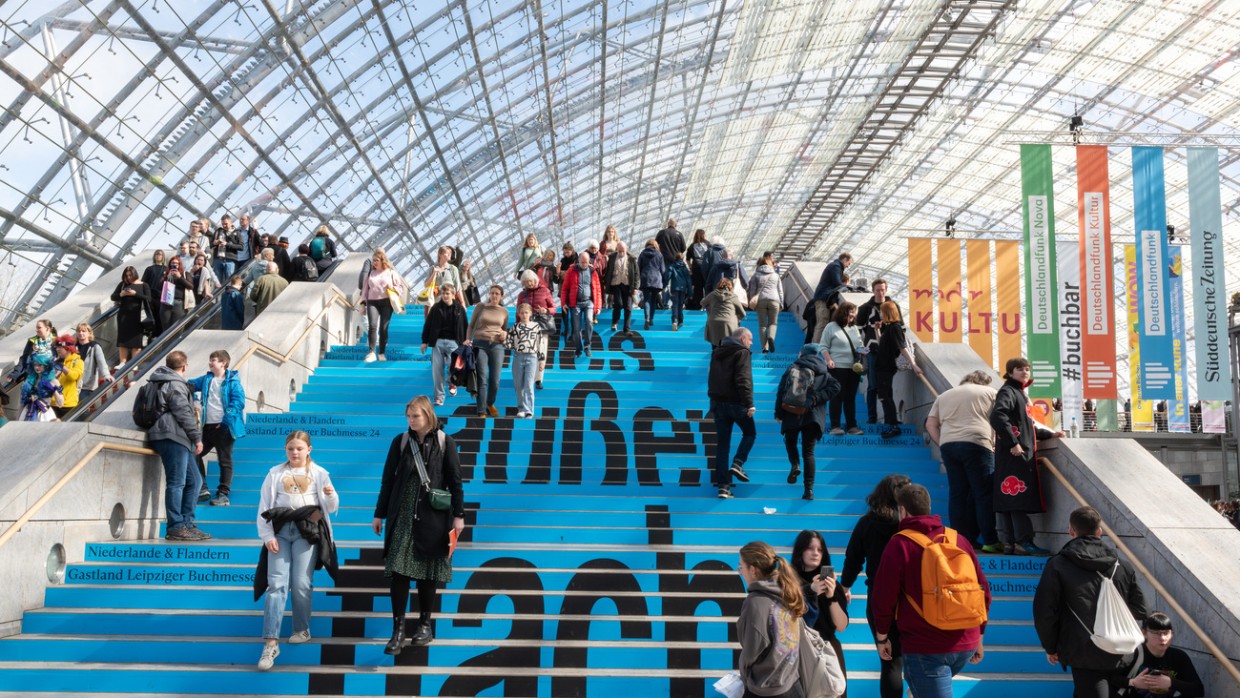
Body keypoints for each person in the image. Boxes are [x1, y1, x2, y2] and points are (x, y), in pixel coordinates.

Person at [870, 483, 990, 698]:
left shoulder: (900, 544)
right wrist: (979, 634)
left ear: (903, 510)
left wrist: (882, 636)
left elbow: (883, 596)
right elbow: (983, 591)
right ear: (929, 507)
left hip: (926, 647)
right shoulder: (958, 540)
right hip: (966, 643)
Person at [374, 396, 466, 654]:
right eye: (408, 416)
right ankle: (398, 630)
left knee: (428, 571)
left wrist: (459, 515)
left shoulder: (445, 442)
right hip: (402, 513)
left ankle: (425, 625)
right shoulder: (400, 442)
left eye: (416, 416)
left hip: (434, 516)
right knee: (399, 571)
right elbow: (387, 481)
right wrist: (379, 514)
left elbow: (455, 482)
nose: (411, 421)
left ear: (428, 415)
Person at [1033, 506, 1148, 697]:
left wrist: (1051, 646)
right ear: (1100, 532)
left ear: (1071, 531)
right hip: (1123, 649)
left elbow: (1044, 611)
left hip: (1083, 650)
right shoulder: (1122, 566)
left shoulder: (1058, 565)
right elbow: (1142, 609)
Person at [255, 430, 339, 671]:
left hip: (307, 531)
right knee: (277, 583)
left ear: (309, 450)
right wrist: (267, 535)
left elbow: (330, 508)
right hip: (280, 530)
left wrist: (331, 495)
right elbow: (265, 505)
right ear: (286, 449)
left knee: (302, 582)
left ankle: (301, 629)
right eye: (291, 448)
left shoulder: (320, 473)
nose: (294, 452)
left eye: (300, 448)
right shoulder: (275, 473)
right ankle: (271, 642)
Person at [841, 473, 912, 698]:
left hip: (879, 598)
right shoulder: (909, 525)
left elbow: (853, 557)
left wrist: (845, 586)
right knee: (919, 660)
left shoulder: (868, 522)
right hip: (911, 598)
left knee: (890, 663)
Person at [990, 357, 1063, 556]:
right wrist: (1013, 442)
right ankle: (1023, 541)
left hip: (1013, 452)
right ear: (1010, 372)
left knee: (1009, 498)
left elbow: (1026, 426)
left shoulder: (1017, 392)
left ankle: (1010, 543)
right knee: (1017, 498)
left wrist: (1050, 434)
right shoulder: (1009, 391)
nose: (1025, 372)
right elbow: (997, 416)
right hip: (1015, 453)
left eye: (1027, 369)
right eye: (1020, 369)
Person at [925, 370, 1003, 554]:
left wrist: (941, 442)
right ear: (985, 381)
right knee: (983, 493)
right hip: (977, 443)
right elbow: (1000, 419)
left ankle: (960, 539)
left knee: (958, 494)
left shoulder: (944, 395)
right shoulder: (990, 392)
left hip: (949, 446)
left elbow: (930, 424)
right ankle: (990, 540)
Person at [145, 351, 207, 541]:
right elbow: (183, 413)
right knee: (177, 482)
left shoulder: (159, 380)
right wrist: (197, 438)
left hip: (174, 437)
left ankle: (187, 522)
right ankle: (175, 526)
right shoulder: (175, 384)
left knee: (195, 481)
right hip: (172, 435)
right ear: (184, 366)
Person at [736, 540, 805, 698]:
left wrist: (744, 674)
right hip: (793, 684)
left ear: (753, 570)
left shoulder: (755, 602)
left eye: (741, 567)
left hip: (767, 689)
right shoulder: (787, 591)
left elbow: (752, 649)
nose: (740, 572)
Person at [775, 344, 840, 500]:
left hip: (791, 411)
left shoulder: (792, 367)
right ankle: (809, 490)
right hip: (813, 415)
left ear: (801, 353)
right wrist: (817, 398)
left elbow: (781, 390)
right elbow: (836, 386)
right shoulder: (823, 370)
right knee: (809, 453)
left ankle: (795, 464)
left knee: (790, 441)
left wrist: (778, 413)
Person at [791, 530, 850, 694]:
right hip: (798, 650)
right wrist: (810, 591)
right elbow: (785, 616)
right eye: (810, 548)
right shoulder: (789, 581)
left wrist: (831, 597)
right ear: (800, 551)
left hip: (827, 648)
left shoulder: (832, 584)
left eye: (820, 549)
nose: (816, 553)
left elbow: (841, 626)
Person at [188, 350, 247, 507]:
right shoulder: (207, 379)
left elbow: (238, 402)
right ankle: (202, 488)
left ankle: (223, 494)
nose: (210, 363)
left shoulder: (233, 382)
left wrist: (226, 420)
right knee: (195, 453)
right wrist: (194, 399)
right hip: (207, 427)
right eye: (210, 359)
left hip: (224, 428)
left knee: (224, 460)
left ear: (223, 363)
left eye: (213, 360)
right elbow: (188, 386)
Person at [709, 327, 755, 499]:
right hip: (736, 403)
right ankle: (738, 463)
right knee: (750, 433)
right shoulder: (742, 352)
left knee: (722, 445)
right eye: (750, 340)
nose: (751, 343)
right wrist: (749, 403)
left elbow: (712, 378)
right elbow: (743, 379)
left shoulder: (717, 352)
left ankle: (723, 487)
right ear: (743, 338)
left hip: (718, 404)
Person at [1112, 613, 1204, 697]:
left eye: (1166, 633)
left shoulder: (1179, 656)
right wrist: (1133, 682)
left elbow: (1199, 690)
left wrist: (1171, 683)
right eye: (1156, 633)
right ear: (1144, 633)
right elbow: (1110, 678)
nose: (1162, 638)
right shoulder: (1132, 653)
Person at [875, 300, 921, 438]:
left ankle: (893, 425)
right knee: (885, 395)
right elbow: (881, 345)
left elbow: (902, 347)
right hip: (882, 366)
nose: (880, 314)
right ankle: (891, 422)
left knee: (884, 396)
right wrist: (876, 329)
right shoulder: (888, 328)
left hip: (885, 367)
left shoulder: (895, 328)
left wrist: (913, 364)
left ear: (887, 312)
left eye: (882, 311)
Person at [819, 302, 865, 435]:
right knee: (837, 396)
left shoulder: (854, 328)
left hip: (853, 368)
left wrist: (864, 350)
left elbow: (859, 345)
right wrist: (829, 360)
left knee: (850, 398)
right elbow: (823, 346)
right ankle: (835, 426)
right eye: (851, 312)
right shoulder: (831, 327)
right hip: (837, 367)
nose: (853, 315)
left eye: (854, 312)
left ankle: (852, 426)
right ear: (843, 312)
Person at [858, 279, 899, 423]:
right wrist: (867, 342)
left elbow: (900, 327)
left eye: (883, 290)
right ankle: (872, 417)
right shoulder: (865, 308)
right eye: (877, 290)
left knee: (887, 386)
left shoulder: (893, 306)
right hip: (873, 351)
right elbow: (858, 328)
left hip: (888, 354)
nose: (880, 293)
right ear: (873, 290)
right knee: (873, 385)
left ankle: (890, 418)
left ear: (886, 290)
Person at [465, 285, 509, 418]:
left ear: (501, 296)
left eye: (497, 294)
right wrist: (468, 339)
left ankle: (490, 403)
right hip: (480, 344)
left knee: (495, 380)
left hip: (497, 346)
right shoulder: (480, 307)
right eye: (492, 293)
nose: (494, 296)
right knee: (482, 377)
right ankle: (481, 410)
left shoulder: (504, 312)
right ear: (489, 294)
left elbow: (504, 329)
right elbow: (471, 325)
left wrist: (504, 334)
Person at [421, 284, 468, 406]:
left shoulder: (459, 309)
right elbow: (428, 325)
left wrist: (466, 340)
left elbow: (465, 325)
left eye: (448, 293)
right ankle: (439, 397)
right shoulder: (436, 308)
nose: (445, 296)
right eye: (443, 293)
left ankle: (452, 382)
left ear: (453, 295)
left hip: (454, 342)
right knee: (437, 370)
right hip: (437, 342)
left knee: (453, 366)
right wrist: (424, 342)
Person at [516, 270, 556, 390]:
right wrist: (518, 327)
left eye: (531, 281)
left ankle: (538, 379)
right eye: (526, 282)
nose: (529, 283)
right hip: (526, 327)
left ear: (535, 279)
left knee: (541, 352)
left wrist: (546, 310)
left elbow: (553, 308)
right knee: (528, 353)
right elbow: (518, 312)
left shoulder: (545, 291)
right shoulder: (522, 295)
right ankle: (528, 377)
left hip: (541, 327)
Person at [360, 249, 401, 363]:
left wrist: (392, 288)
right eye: (373, 260)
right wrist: (363, 305)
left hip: (387, 303)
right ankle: (371, 352)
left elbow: (400, 288)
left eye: (376, 260)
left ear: (383, 261)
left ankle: (381, 352)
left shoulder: (391, 272)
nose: (374, 262)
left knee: (383, 328)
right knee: (372, 326)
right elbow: (364, 290)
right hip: (372, 302)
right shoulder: (370, 274)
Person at [560, 251, 601, 358]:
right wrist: (564, 303)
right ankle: (578, 349)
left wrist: (598, 306)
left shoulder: (593, 271)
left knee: (589, 320)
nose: (584, 264)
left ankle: (587, 345)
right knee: (576, 328)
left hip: (588, 302)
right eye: (582, 262)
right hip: (575, 303)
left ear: (589, 262)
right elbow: (564, 288)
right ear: (578, 261)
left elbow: (597, 290)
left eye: (586, 262)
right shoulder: (571, 271)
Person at [505, 303, 542, 419]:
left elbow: (540, 344)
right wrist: (503, 338)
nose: (524, 315)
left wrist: (541, 361)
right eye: (522, 313)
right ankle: (521, 408)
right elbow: (509, 343)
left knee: (529, 384)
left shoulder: (536, 327)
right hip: (518, 356)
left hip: (532, 357)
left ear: (530, 313)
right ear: (518, 314)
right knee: (518, 384)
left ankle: (529, 410)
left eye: (526, 312)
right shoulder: (515, 327)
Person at [110, 267, 151, 368]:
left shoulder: (143, 285)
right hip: (124, 315)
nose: (128, 277)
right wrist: (121, 294)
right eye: (126, 275)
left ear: (135, 274)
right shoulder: (123, 284)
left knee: (136, 340)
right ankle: (122, 362)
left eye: (130, 275)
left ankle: (134, 363)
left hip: (138, 315)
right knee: (122, 340)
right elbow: (113, 297)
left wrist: (135, 294)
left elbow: (149, 298)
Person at [808, 252, 852, 342]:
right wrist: (849, 287)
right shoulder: (836, 266)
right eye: (849, 263)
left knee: (823, 323)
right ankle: (816, 348)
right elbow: (837, 283)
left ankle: (817, 347)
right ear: (845, 259)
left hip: (823, 297)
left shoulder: (835, 266)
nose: (848, 266)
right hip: (823, 298)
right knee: (822, 323)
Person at [749, 252, 784, 353]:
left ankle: (765, 348)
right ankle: (771, 337)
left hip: (761, 301)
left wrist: (753, 302)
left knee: (762, 325)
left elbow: (752, 290)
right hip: (774, 300)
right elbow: (780, 290)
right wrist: (781, 303)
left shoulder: (756, 275)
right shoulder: (775, 275)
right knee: (773, 323)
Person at [701, 278, 747, 348]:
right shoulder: (733, 297)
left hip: (714, 322)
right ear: (731, 287)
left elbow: (702, 303)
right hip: (729, 323)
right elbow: (743, 313)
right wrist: (738, 319)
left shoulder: (713, 294)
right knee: (728, 346)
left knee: (715, 345)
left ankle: (715, 356)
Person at [74, 323, 112, 405]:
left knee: (83, 410)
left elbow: (102, 363)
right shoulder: (73, 347)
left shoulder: (95, 346)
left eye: (83, 331)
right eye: (79, 331)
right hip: (73, 385)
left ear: (89, 333)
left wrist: (106, 376)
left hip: (87, 385)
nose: (81, 333)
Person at [606, 241, 638, 334]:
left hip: (628, 285)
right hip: (616, 284)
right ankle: (615, 322)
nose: (621, 253)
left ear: (626, 250)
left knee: (628, 307)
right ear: (617, 250)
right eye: (619, 251)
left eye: (623, 251)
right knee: (618, 304)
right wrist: (606, 283)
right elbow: (608, 271)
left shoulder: (631, 259)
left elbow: (636, 274)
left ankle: (627, 329)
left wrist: (635, 287)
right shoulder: (612, 258)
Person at [20, 354, 62, 422]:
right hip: (28, 411)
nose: (37, 367)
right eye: (35, 365)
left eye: (40, 365)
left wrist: (54, 390)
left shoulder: (53, 381)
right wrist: (17, 420)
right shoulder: (30, 380)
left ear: (46, 366)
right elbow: (22, 402)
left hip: (44, 413)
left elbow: (60, 404)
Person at [158, 256, 195, 331]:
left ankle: (176, 342)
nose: (174, 265)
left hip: (179, 303)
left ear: (179, 265)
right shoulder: (166, 274)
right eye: (173, 263)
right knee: (166, 328)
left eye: (176, 263)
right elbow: (159, 286)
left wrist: (179, 277)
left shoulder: (185, 274)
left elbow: (190, 286)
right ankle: (167, 343)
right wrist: (167, 277)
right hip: (166, 302)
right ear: (170, 264)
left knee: (177, 328)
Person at [51, 335, 83, 419]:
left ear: (68, 348)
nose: (57, 349)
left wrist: (62, 367)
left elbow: (74, 376)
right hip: (52, 403)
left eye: (60, 347)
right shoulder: (54, 361)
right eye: (56, 347)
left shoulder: (78, 361)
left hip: (68, 405)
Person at [637, 239, 665, 330]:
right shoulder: (659, 254)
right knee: (653, 300)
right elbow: (663, 270)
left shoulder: (642, 253)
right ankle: (651, 319)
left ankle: (647, 318)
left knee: (646, 300)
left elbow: (638, 267)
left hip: (645, 278)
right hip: (656, 279)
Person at [140, 250, 168, 337]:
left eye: (160, 254)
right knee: (151, 316)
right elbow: (143, 283)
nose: (158, 256)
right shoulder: (149, 269)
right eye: (156, 254)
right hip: (151, 296)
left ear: (163, 257)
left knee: (161, 316)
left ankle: (159, 334)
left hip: (162, 296)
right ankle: (152, 334)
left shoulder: (166, 269)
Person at [211, 214, 244, 282]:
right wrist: (214, 243)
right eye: (223, 224)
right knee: (217, 281)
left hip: (230, 260)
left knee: (229, 281)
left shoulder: (237, 232)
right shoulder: (218, 231)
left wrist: (227, 244)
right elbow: (211, 244)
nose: (224, 226)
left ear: (231, 222)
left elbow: (241, 247)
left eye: (226, 224)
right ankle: (218, 292)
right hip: (218, 259)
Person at [686, 228, 710, 309]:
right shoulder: (708, 244)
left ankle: (698, 306)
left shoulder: (692, 246)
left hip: (696, 267)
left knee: (698, 288)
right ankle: (708, 305)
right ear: (704, 235)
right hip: (706, 267)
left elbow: (687, 259)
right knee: (706, 286)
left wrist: (691, 267)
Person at [667, 252, 692, 331]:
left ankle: (674, 320)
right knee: (681, 304)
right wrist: (690, 292)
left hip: (675, 288)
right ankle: (680, 321)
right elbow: (689, 281)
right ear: (682, 258)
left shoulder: (672, 266)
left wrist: (664, 284)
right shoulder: (685, 268)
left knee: (675, 304)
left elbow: (668, 276)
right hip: (683, 289)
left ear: (676, 258)